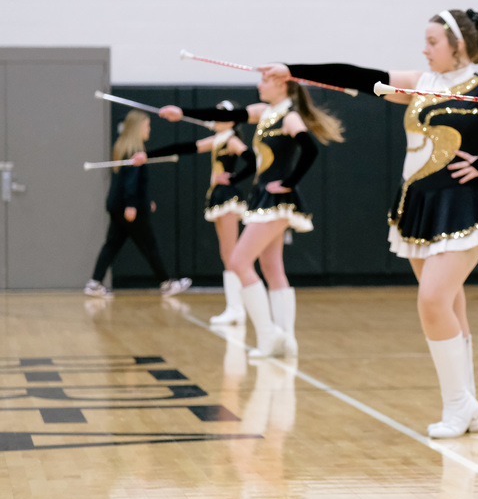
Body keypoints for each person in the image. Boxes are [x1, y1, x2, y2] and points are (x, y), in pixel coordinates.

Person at [260, 8, 478, 438]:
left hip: (463, 207)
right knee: (449, 304)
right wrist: (292, 70)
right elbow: (357, 76)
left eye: (432, 42)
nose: (424, 48)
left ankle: (457, 404)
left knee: (433, 302)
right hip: (416, 207)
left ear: (458, 47)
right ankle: (466, 404)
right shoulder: (420, 84)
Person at [159, 76, 344, 358]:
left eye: (266, 81)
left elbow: (310, 149)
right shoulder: (262, 112)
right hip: (262, 198)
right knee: (271, 266)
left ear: (282, 85)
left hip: (276, 200)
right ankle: (286, 338)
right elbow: (228, 115)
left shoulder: (289, 116)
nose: (260, 85)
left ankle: (268, 335)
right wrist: (183, 113)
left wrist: (289, 182)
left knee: (238, 261)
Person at [139, 101, 257, 326]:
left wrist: (233, 179)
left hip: (228, 197)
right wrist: (148, 155)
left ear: (232, 120)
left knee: (232, 254)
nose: (215, 117)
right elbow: (183, 148)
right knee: (226, 255)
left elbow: (252, 161)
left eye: (220, 115)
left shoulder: (231, 140)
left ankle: (238, 307)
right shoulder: (217, 140)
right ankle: (234, 307)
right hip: (217, 196)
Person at [84, 110, 193, 299]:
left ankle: (94, 283)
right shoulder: (136, 151)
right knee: (149, 245)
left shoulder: (122, 147)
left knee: (112, 244)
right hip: (128, 207)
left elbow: (130, 181)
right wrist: (132, 205)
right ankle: (166, 284)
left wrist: (144, 201)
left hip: (118, 204)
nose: (149, 129)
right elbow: (131, 182)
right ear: (137, 129)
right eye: (147, 126)